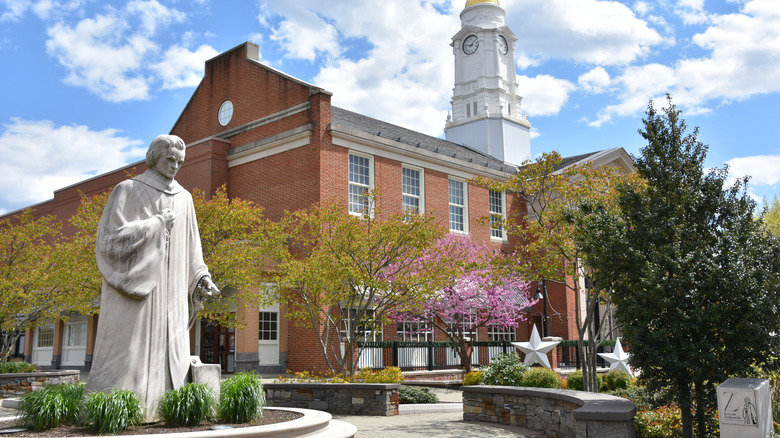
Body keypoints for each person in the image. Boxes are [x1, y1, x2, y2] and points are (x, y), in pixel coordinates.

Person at [86, 134, 219, 420]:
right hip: (141, 290)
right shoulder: (128, 190)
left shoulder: (185, 199)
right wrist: (156, 225)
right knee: (132, 351)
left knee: (172, 353)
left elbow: (193, 247)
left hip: (173, 294)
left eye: (180, 162)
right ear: (154, 157)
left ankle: (169, 410)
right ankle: (120, 412)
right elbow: (110, 240)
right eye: (169, 159)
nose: (174, 166)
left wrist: (201, 276)